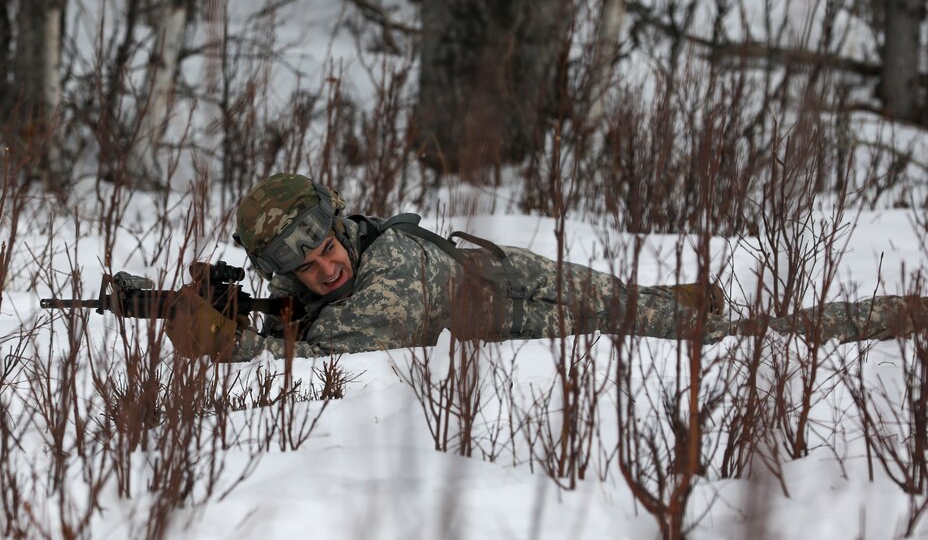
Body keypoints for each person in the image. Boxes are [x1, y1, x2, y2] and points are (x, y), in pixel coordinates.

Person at [166, 173, 927, 361]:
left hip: (543, 308)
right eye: (303, 266)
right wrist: (240, 303)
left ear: (340, 226)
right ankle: (664, 299)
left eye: (329, 248)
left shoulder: (387, 277)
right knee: (665, 309)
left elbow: (333, 349)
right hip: (505, 276)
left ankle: (895, 314)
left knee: (733, 335)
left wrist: (232, 341)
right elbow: (301, 309)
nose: (326, 267)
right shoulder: (340, 253)